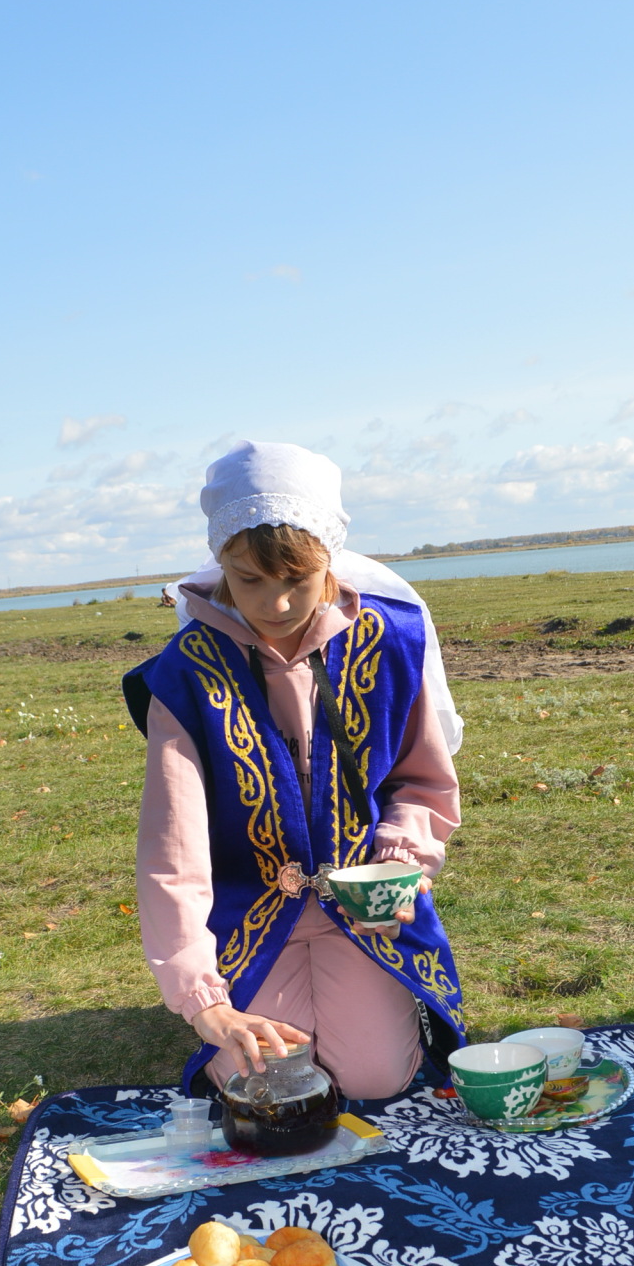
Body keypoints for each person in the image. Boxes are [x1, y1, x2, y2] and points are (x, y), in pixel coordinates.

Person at [126, 440, 465, 1100]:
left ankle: (384, 1010)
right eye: (250, 580)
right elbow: (173, 851)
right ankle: (241, 1002)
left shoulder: (390, 641)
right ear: (221, 560)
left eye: (297, 582)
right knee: (275, 1080)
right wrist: (205, 1001)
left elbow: (421, 781)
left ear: (329, 562)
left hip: (362, 913)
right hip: (247, 912)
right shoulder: (187, 675)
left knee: (372, 1080)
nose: (276, 605)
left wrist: (400, 865)